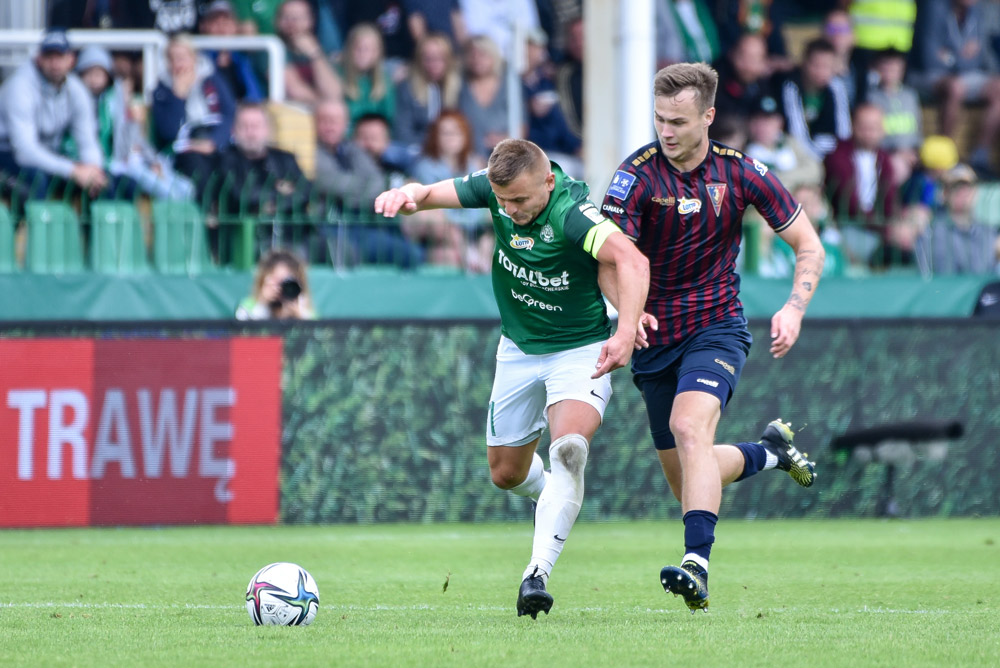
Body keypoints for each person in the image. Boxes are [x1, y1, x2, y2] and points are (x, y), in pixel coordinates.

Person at [374, 138, 650, 619]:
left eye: (520, 200)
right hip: (518, 349)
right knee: (506, 474)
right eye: (502, 201)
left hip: (579, 349)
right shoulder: (499, 189)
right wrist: (410, 194)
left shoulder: (572, 212)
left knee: (568, 450)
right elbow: (438, 194)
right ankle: (557, 503)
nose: (510, 209)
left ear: (547, 181)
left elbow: (631, 260)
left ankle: (536, 573)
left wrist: (625, 330)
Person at [599, 62, 825, 612]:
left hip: (716, 327)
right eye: (659, 119)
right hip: (653, 338)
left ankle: (696, 566)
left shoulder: (744, 172)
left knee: (688, 426)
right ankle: (769, 452)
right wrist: (627, 314)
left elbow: (809, 246)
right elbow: (608, 259)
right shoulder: (635, 176)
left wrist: (794, 309)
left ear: (709, 116)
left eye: (678, 120)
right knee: (689, 478)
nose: (666, 131)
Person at [0, 28, 107, 202]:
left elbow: (88, 141)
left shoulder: (76, 89)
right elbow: (25, 152)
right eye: (50, 57)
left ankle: (91, 229)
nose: (55, 64)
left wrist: (93, 170)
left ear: (71, 60)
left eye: (60, 57)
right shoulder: (20, 87)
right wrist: (74, 170)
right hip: (6, 155)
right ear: (39, 59)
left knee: (102, 185)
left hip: (44, 156)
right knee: (36, 182)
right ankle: (34, 229)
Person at [915, 163, 1000, 275]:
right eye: (955, 187)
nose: (962, 192)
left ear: (976, 192)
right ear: (944, 193)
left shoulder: (990, 234)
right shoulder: (930, 232)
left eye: (967, 186)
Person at [777, 38, 852, 161]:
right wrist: (817, 159)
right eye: (816, 65)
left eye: (827, 66)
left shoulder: (837, 86)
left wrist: (840, 155)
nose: (821, 72)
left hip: (832, 153)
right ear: (805, 63)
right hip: (801, 153)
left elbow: (844, 130)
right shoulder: (791, 86)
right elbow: (797, 134)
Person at [235, 248, 317, 320]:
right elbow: (241, 332)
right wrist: (262, 304)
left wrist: (300, 316)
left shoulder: (305, 309)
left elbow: (319, 335)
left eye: (287, 282)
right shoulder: (249, 306)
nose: (281, 288)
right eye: (276, 281)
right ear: (264, 281)